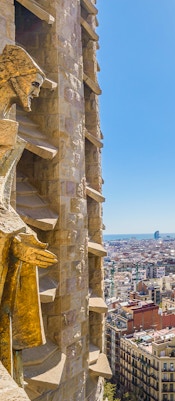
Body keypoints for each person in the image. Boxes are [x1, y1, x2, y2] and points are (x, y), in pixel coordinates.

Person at [0, 45, 57, 384]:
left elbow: (2, 200)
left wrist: (19, 231)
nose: (36, 92)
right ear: (13, 75)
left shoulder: (7, 123)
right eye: (34, 84)